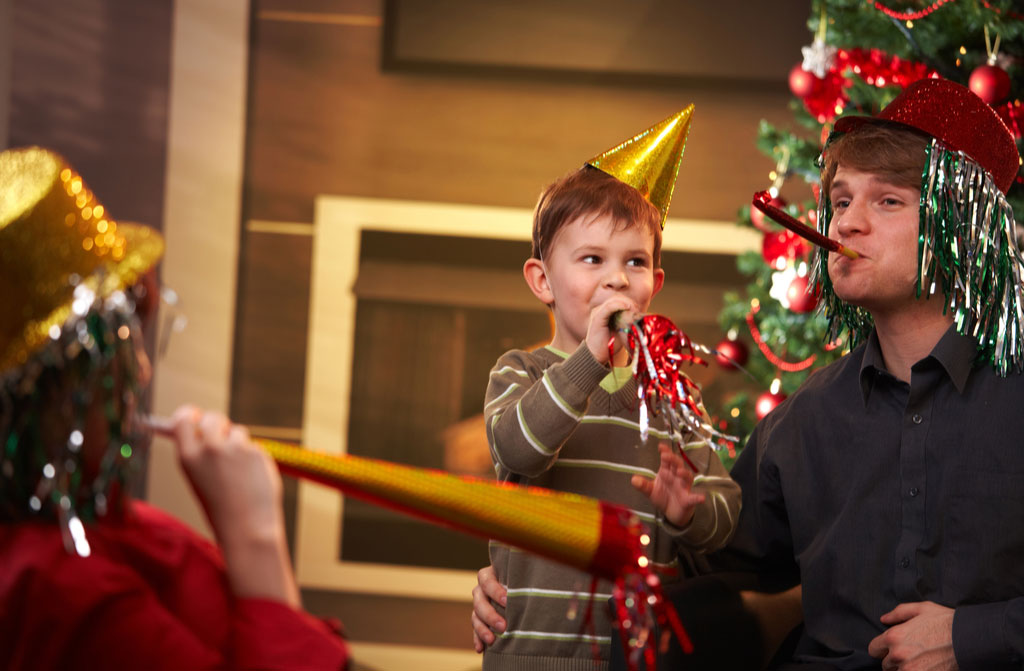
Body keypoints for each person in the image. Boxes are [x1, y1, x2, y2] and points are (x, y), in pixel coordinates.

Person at [479, 77, 1024, 671]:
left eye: (887, 200)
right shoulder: (804, 422)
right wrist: (514, 574)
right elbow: (691, 550)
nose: (844, 225)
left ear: (959, 227)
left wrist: (975, 636)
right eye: (840, 201)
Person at [0, 146, 349, 670]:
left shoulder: (119, 528)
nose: (140, 373)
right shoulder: (57, 585)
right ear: (45, 393)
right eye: (111, 353)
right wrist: (255, 536)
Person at [479, 109, 742, 670]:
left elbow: (725, 514)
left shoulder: (674, 397)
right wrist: (589, 361)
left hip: (638, 659)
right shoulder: (520, 372)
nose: (617, 278)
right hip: (530, 657)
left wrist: (684, 512)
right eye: (592, 259)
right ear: (542, 281)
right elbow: (518, 449)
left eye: (636, 262)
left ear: (656, 284)